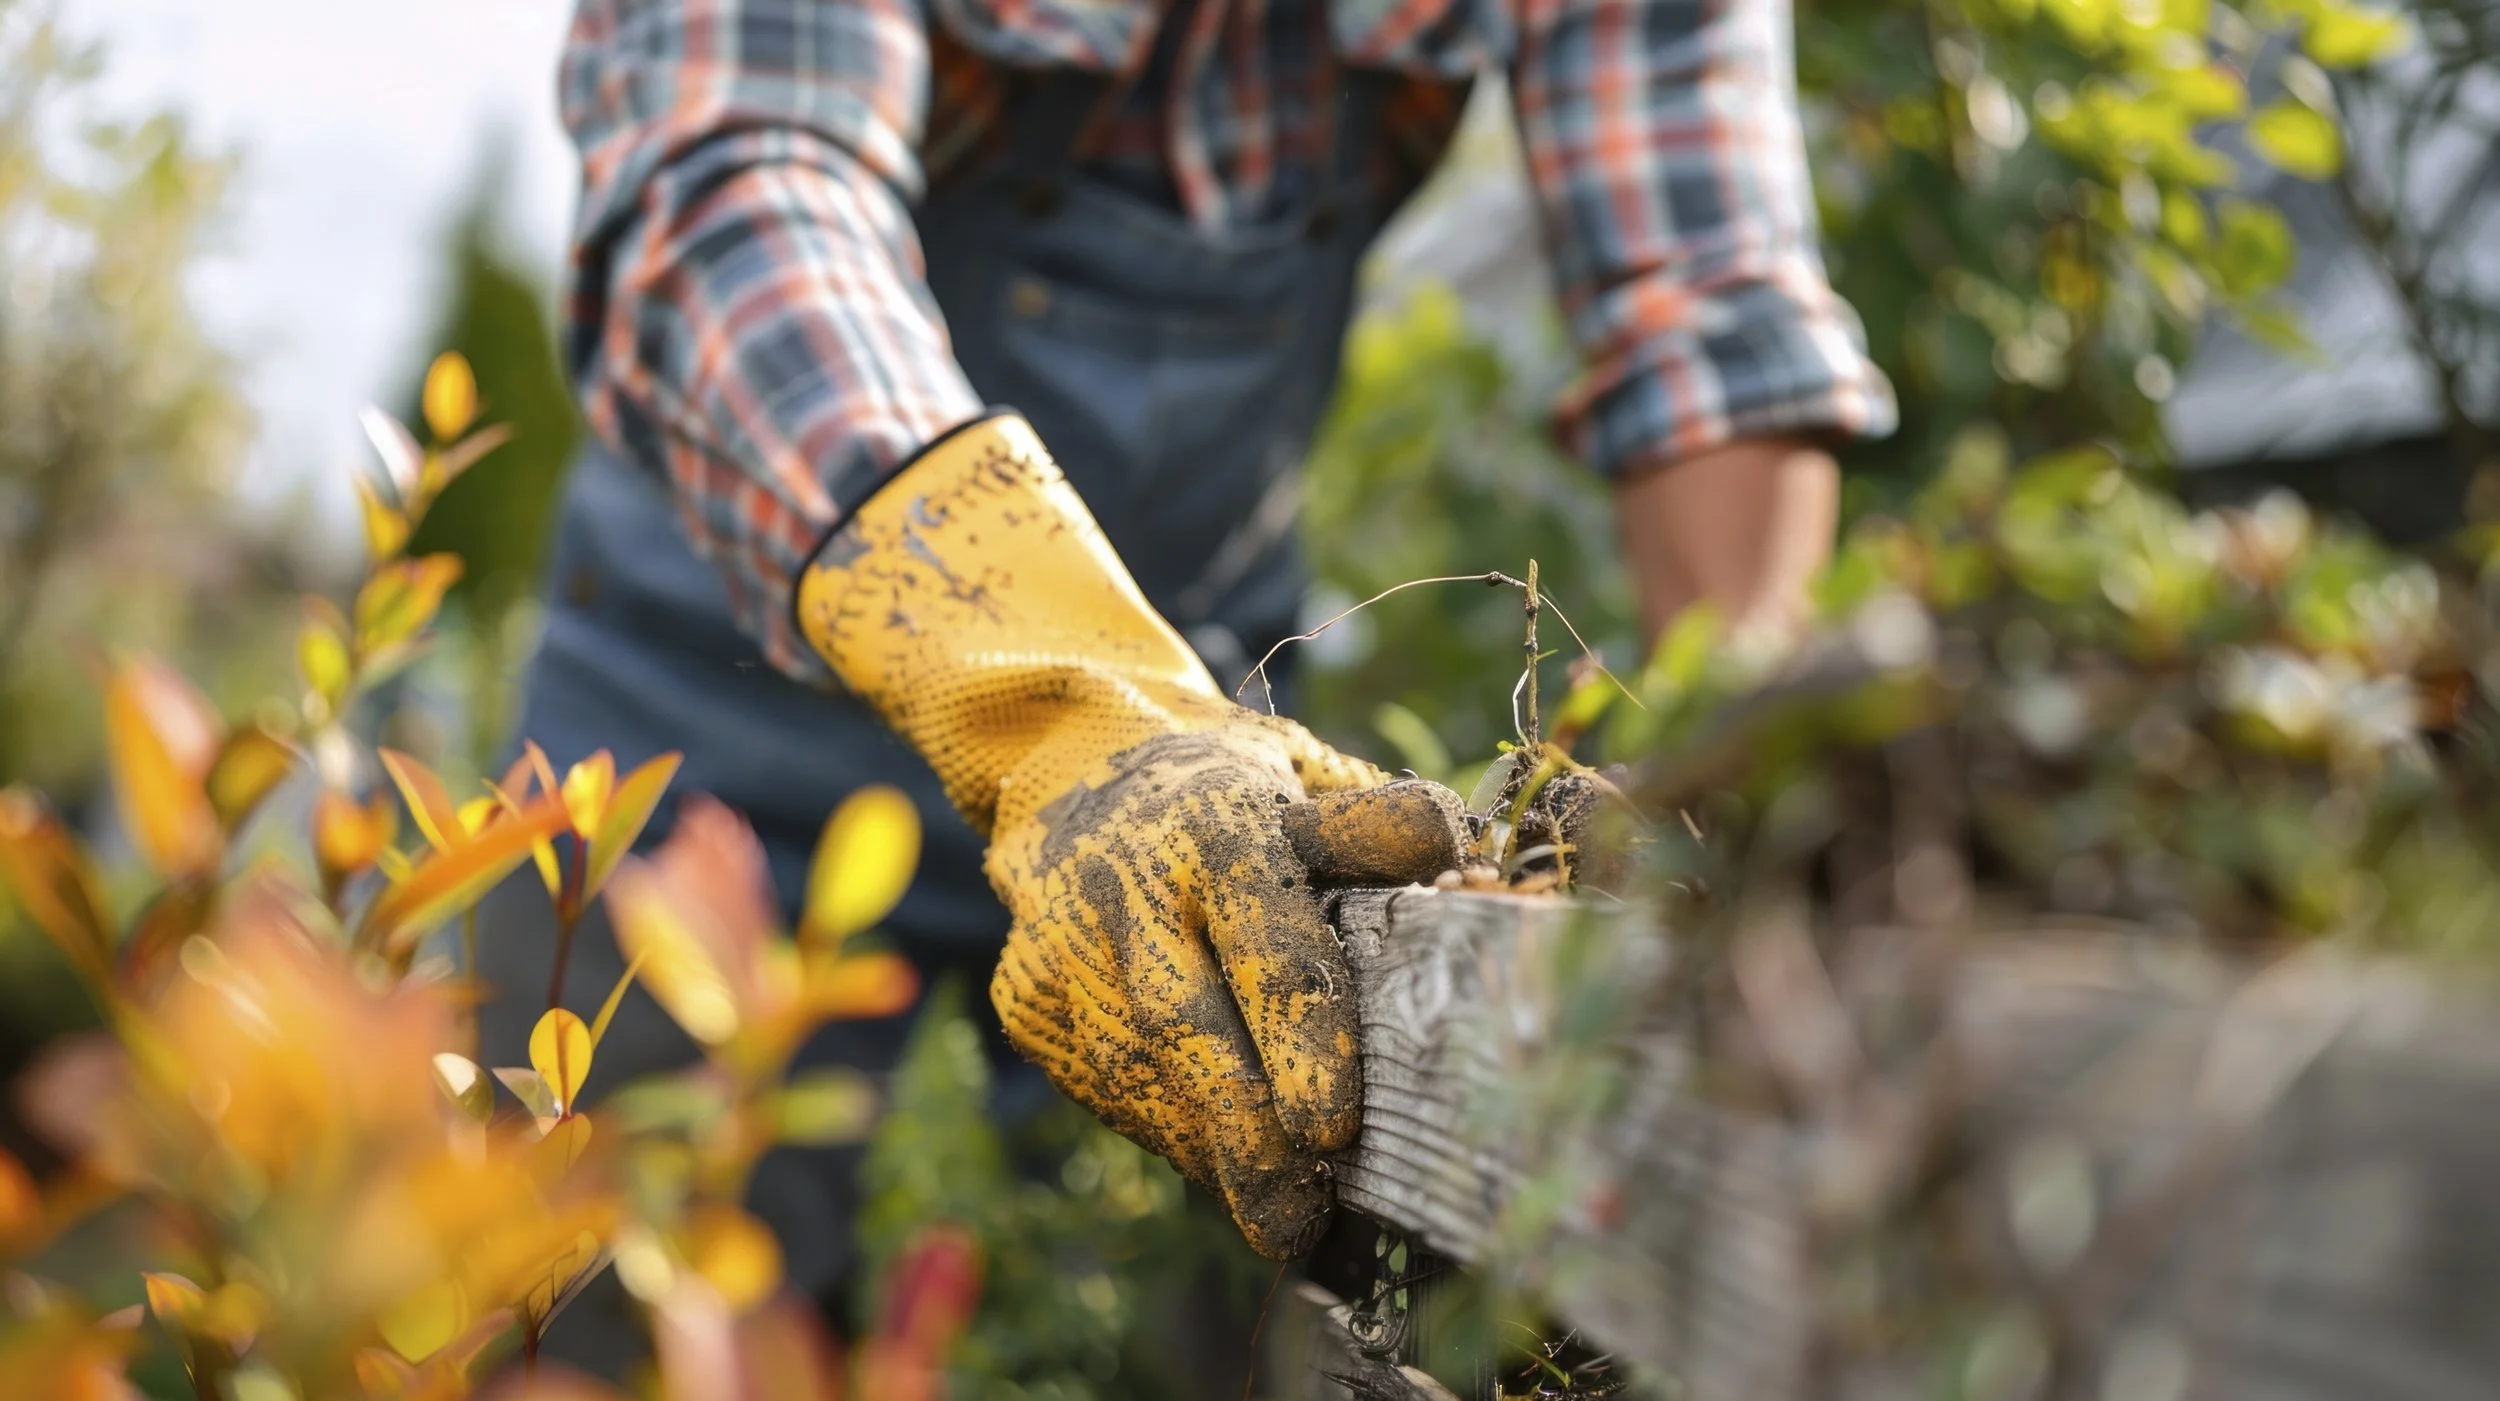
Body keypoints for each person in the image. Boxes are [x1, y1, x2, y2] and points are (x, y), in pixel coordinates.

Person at [479, 0, 1894, 1364]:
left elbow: (1701, 299)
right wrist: (1068, 710)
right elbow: (741, 188)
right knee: (618, 1313)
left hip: (1201, 766)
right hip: (714, 753)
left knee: (1216, 1312)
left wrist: (1730, 763)